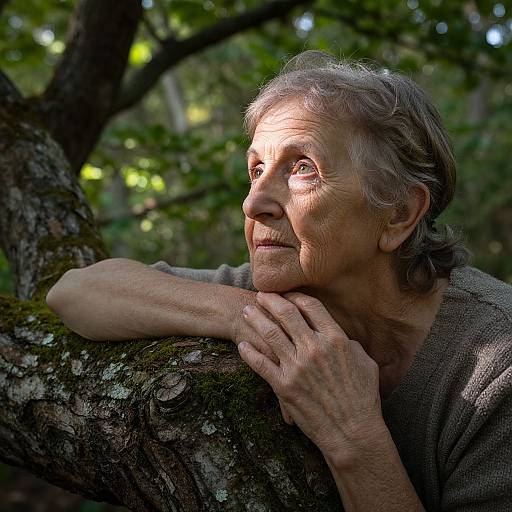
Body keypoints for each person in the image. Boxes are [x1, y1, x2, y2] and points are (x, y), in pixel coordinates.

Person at [46, 51, 512, 511]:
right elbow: (75, 293)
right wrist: (245, 316)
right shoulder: (278, 292)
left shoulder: (498, 366)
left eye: (302, 167)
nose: (253, 203)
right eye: (256, 170)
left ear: (399, 213)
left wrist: (352, 436)